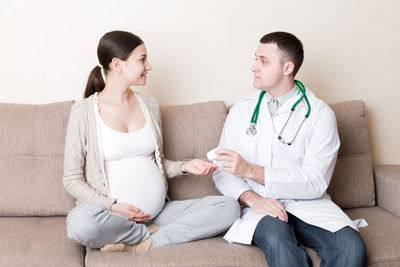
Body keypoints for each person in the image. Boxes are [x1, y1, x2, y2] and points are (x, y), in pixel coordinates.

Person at [63, 30, 240, 252]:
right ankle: (144, 234)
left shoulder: (150, 105)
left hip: (159, 214)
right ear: (118, 65)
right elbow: (72, 179)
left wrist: (185, 166)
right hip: (112, 216)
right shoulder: (83, 112)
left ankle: (145, 243)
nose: (149, 66)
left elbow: (156, 162)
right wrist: (114, 207)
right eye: (142, 59)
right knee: (80, 223)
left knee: (229, 207)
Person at [212, 32, 366, 266]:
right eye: (255, 59)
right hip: (261, 206)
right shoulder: (241, 111)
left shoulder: (319, 114)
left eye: (263, 61)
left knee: (350, 246)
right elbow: (222, 170)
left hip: (308, 204)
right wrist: (252, 199)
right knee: (278, 242)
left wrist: (251, 170)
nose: (254, 66)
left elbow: (315, 180)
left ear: (287, 68)